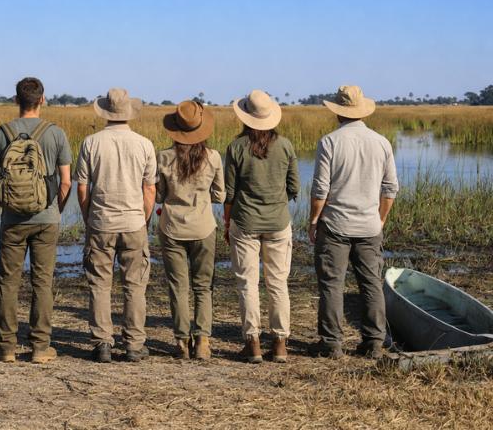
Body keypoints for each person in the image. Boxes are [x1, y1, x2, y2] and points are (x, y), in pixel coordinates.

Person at [0, 77, 73, 364]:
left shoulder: (2, 132)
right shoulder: (56, 133)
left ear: (16, 100)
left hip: (12, 220)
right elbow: (67, 181)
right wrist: (54, 207)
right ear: (42, 99)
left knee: (8, 282)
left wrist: (6, 202)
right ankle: (39, 347)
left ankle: (7, 346)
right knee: (42, 282)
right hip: (47, 218)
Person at [308, 85, 398, 360]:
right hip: (370, 227)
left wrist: (313, 220)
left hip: (335, 225)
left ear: (338, 112)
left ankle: (332, 344)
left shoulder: (330, 142)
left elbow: (320, 189)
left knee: (331, 285)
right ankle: (373, 342)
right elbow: (390, 188)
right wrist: (380, 218)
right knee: (371, 284)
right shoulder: (381, 142)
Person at [75, 88, 157, 363]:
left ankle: (102, 343)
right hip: (134, 222)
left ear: (106, 113)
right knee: (135, 285)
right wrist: (143, 219)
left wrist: (89, 217)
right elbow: (149, 189)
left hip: (101, 222)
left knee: (99, 284)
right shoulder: (144, 144)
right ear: (128, 113)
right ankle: (134, 343)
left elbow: (83, 188)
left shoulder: (91, 142)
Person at [224, 90, 299, 364]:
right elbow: (294, 187)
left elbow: (229, 193)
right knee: (278, 283)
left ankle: (252, 342)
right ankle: (280, 343)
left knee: (248, 283)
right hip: (279, 223)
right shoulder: (286, 146)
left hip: (244, 222)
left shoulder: (235, 148)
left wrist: (227, 221)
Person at [156, 100, 225, 360]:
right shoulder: (214, 157)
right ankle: (203, 341)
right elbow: (219, 195)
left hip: (172, 226)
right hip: (204, 227)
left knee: (178, 286)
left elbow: (159, 194)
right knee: (203, 286)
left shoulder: (163, 157)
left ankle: (182, 341)